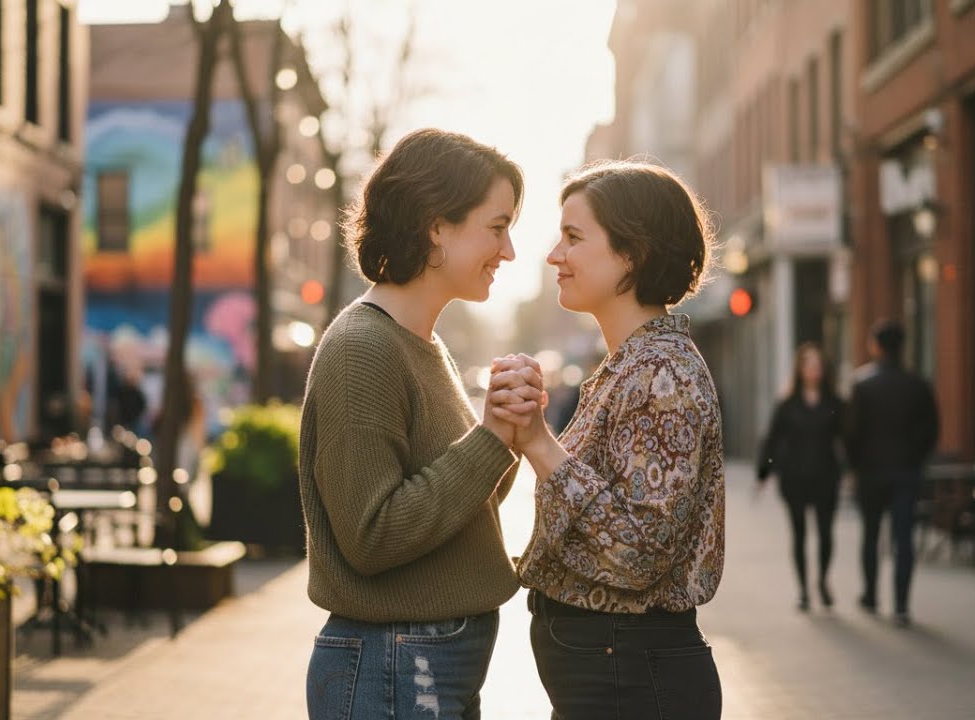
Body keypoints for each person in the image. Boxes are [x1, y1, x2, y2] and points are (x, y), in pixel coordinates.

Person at [299, 128, 525, 719]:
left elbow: (457, 509)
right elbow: (372, 535)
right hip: (395, 663)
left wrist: (506, 432)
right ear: (436, 226)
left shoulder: (420, 343)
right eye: (497, 227)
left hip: (417, 662)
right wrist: (488, 441)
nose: (508, 251)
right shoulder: (363, 349)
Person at [489, 160, 725, 719]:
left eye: (573, 237)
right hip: (618, 671)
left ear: (632, 253)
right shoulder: (632, 364)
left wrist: (541, 444)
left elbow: (637, 552)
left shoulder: (662, 374)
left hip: (631, 674)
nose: (554, 255)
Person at [844, 319, 939, 626]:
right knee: (903, 539)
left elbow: (851, 433)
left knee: (871, 535)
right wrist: (916, 458)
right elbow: (931, 431)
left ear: (876, 346)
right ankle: (901, 604)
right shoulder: (918, 385)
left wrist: (854, 466)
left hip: (871, 472)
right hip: (906, 472)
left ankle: (871, 596)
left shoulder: (862, 384)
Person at [757, 342, 845, 611]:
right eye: (809, 364)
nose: (813, 369)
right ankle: (804, 590)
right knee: (799, 534)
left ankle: (823, 581)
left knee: (826, 533)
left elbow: (848, 437)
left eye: (818, 365)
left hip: (826, 475)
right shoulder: (787, 404)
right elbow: (772, 439)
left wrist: (852, 468)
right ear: (800, 369)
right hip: (794, 476)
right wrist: (763, 472)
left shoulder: (835, 402)